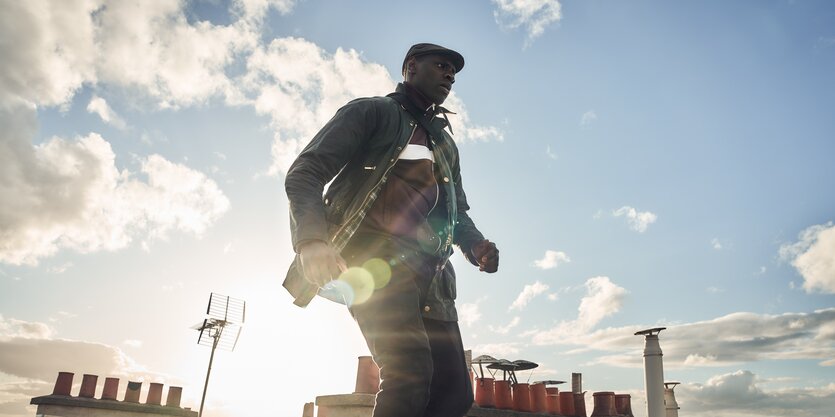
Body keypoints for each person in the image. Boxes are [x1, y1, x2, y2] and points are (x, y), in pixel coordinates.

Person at [283, 43, 499, 417]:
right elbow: (305, 173)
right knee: (409, 372)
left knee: (454, 394)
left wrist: (476, 245)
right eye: (442, 66)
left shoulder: (445, 145)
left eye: (454, 71)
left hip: (433, 276)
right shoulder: (372, 113)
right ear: (411, 68)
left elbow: (457, 211)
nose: (450, 74)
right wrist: (312, 240)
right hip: (374, 262)